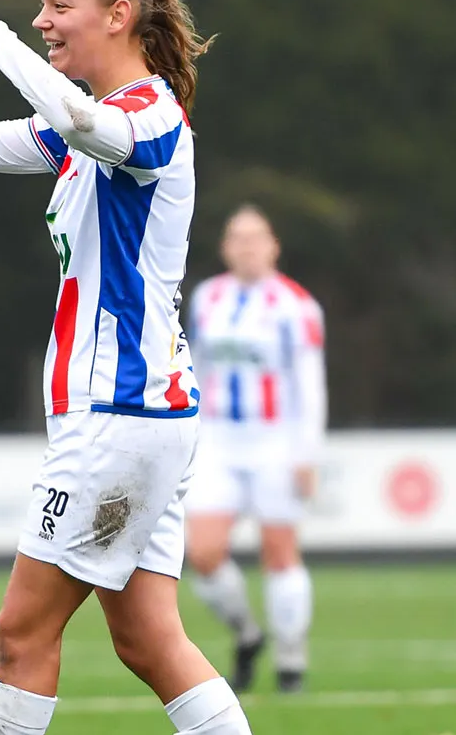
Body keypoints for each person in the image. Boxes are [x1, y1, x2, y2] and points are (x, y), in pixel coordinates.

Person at [0, 0, 254, 735]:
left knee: (20, 636)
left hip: (120, 417)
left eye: (58, 6)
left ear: (119, 14)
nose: (41, 21)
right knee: (150, 641)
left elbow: (78, 116)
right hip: (132, 417)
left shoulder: (149, 117)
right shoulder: (91, 126)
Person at [184, 205, 326, 693]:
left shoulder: (296, 305)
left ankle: (291, 660)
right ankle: (248, 634)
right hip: (218, 440)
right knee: (202, 551)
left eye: (255, 238)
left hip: (275, 440)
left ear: (273, 246)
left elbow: (310, 384)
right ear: (225, 248)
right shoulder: (207, 299)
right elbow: (193, 368)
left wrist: (306, 453)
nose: (246, 247)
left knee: (281, 553)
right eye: (237, 238)